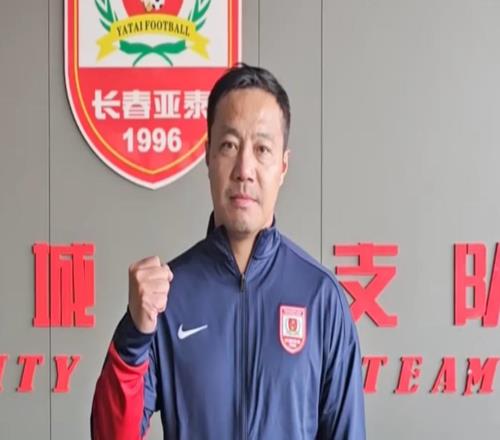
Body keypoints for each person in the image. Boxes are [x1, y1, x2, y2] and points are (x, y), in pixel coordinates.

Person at [91, 63, 366, 439]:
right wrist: (134, 335)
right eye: (229, 145)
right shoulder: (169, 297)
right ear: (207, 156)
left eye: (262, 149)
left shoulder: (320, 297)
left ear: (283, 166)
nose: (244, 169)